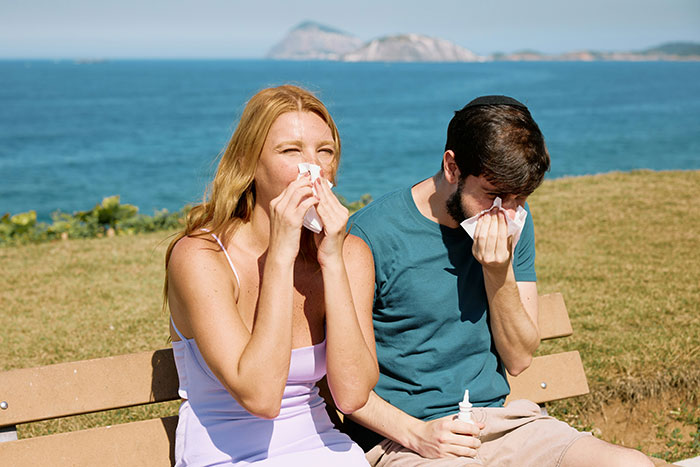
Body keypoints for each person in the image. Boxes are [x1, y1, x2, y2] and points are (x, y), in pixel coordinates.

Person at [346, 96, 655, 466]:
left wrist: (498, 270)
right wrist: (418, 435)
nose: (506, 213)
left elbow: (520, 357)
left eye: (519, 198)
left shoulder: (515, 223)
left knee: (628, 463)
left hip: (500, 424)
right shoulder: (370, 236)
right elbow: (342, 385)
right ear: (452, 167)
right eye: (492, 195)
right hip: (409, 439)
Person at [164, 85, 378, 466]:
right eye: (291, 151)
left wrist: (332, 260)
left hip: (324, 450)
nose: (313, 168)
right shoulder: (201, 257)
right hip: (226, 456)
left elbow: (352, 394)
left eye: (324, 151)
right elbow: (261, 397)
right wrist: (281, 254)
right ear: (249, 162)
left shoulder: (350, 254)